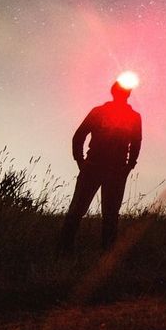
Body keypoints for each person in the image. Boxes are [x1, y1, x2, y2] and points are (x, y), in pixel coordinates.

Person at [58, 79, 142, 253]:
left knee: (108, 215)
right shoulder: (100, 112)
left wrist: (129, 166)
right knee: (80, 210)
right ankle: (64, 252)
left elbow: (136, 143)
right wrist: (80, 161)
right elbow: (79, 136)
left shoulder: (133, 117)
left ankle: (103, 256)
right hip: (95, 167)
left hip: (114, 170)